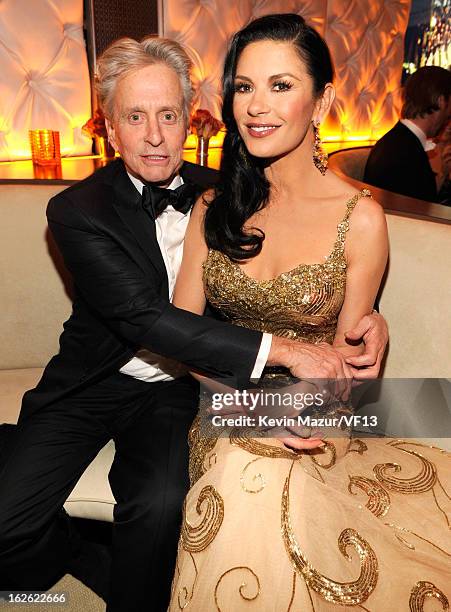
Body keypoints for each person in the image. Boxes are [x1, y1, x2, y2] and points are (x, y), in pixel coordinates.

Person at [0, 36, 388, 612]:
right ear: (110, 128)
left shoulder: (225, 196)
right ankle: (80, 551)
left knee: (159, 507)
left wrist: (368, 317)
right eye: (135, 117)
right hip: (92, 382)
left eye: (168, 115)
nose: (155, 135)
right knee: (8, 529)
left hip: (182, 388)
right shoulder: (77, 210)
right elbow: (147, 318)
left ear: (189, 118)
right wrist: (284, 350)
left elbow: (300, 266)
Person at [169, 14, 451, 610]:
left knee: (282, 486)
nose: (256, 106)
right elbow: (182, 339)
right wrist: (251, 410)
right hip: (222, 404)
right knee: (253, 478)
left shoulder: (360, 218)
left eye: (281, 85)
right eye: (243, 87)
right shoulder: (213, 207)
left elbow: (349, 370)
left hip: (322, 415)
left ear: (321, 101)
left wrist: (370, 337)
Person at [364, 66, 451, 202]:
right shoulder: (406, 152)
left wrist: (443, 174)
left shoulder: (398, 140)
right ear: (441, 101)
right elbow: (422, 209)